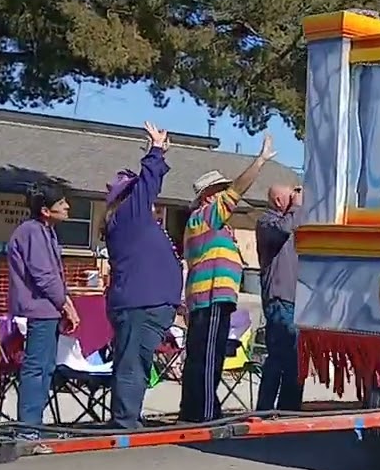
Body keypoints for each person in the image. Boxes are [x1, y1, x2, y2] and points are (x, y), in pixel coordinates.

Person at [179, 134, 275, 423]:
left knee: (201, 355)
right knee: (209, 357)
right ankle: (207, 412)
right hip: (211, 296)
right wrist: (260, 161)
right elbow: (237, 189)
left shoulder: (209, 223)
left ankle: (193, 411)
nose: (228, 196)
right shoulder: (206, 215)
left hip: (209, 298)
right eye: (220, 191)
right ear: (209, 196)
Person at [102, 122, 184, 430]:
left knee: (136, 361)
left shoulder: (133, 222)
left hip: (144, 303)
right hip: (139, 304)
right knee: (133, 363)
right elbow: (149, 182)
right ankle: (125, 422)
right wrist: (156, 150)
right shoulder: (129, 214)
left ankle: (128, 417)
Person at [7, 184, 79, 447]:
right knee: (36, 369)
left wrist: (64, 303)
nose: (67, 207)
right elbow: (44, 275)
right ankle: (27, 430)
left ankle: (34, 426)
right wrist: (66, 305)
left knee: (46, 368)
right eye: (61, 203)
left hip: (48, 310)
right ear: (45, 210)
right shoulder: (31, 232)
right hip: (37, 310)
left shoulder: (46, 231)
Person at [255, 184, 303, 413]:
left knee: (295, 360)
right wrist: (296, 207)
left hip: (296, 300)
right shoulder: (266, 222)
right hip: (278, 299)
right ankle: (264, 410)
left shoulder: (292, 222)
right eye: (289, 197)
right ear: (277, 200)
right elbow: (283, 230)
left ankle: (288, 410)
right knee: (278, 358)